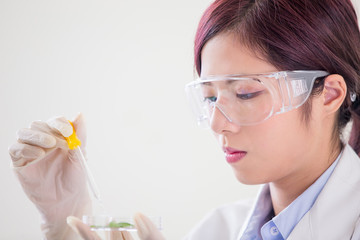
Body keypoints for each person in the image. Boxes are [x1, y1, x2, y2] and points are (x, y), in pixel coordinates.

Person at [9, 0, 360, 239]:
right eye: (209, 98)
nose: (217, 123)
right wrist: (64, 222)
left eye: (246, 94)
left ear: (329, 95)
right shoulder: (218, 229)